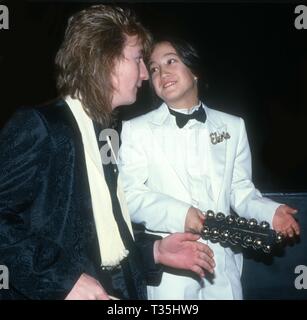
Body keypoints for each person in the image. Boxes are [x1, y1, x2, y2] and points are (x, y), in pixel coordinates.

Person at [0, 6, 216, 300]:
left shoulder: (109, 133)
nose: (144, 74)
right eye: (138, 59)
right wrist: (64, 281)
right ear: (106, 59)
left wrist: (154, 250)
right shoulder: (41, 126)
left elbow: (108, 226)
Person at [118, 37, 300, 299]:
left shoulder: (233, 126)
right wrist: (183, 215)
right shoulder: (137, 130)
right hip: (173, 272)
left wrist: (271, 214)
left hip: (223, 269)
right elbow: (130, 196)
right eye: (154, 68)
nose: (162, 72)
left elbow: (240, 191)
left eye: (171, 61)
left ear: (194, 70)